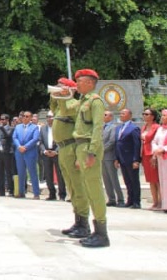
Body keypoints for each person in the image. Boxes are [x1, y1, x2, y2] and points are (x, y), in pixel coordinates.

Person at [72, 68, 109, 248]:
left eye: (80, 81)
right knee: (88, 188)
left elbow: (97, 128)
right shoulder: (82, 101)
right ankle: (96, 231)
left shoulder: (95, 101)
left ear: (90, 83)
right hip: (81, 146)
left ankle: (102, 233)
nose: (77, 84)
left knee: (94, 190)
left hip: (88, 147)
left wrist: (92, 152)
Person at [52, 77, 89, 238]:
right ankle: (77, 220)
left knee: (78, 186)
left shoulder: (74, 105)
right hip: (62, 149)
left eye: (61, 87)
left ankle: (84, 223)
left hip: (72, 148)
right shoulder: (61, 107)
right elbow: (54, 107)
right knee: (71, 187)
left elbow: (68, 112)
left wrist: (66, 95)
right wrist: (56, 95)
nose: (57, 89)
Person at [114, 108, 141, 209]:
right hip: (122, 159)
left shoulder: (134, 128)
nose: (121, 115)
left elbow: (136, 145)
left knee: (134, 181)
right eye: (120, 113)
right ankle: (130, 200)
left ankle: (136, 202)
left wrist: (136, 160)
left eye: (123, 113)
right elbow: (117, 144)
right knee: (127, 181)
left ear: (130, 115)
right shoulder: (119, 128)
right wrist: (117, 158)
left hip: (131, 158)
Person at [13, 110, 41, 199]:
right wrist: (19, 146)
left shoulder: (34, 127)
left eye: (27, 116)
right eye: (24, 116)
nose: (25, 118)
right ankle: (21, 192)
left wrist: (25, 147)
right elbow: (14, 137)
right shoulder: (18, 127)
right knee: (21, 172)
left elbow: (35, 139)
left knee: (32, 172)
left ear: (31, 118)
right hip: (19, 152)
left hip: (30, 152)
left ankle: (36, 193)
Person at [101, 110, 124, 207]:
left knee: (114, 179)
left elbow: (111, 141)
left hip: (109, 156)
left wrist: (101, 150)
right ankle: (111, 199)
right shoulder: (101, 127)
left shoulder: (113, 127)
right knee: (106, 179)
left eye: (105, 115)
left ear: (111, 117)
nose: (103, 116)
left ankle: (121, 199)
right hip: (102, 158)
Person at [140, 108, 161, 209]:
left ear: (153, 116)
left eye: (147, 114)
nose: (144, 116)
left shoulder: (156, 127)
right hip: (144, 154)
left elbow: (150, 138)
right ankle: (155, 201)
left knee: (157, 179)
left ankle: (161, 201)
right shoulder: (144, 127)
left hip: (152, 154)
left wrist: (155, 155)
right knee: (150, 180)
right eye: (144, 114)